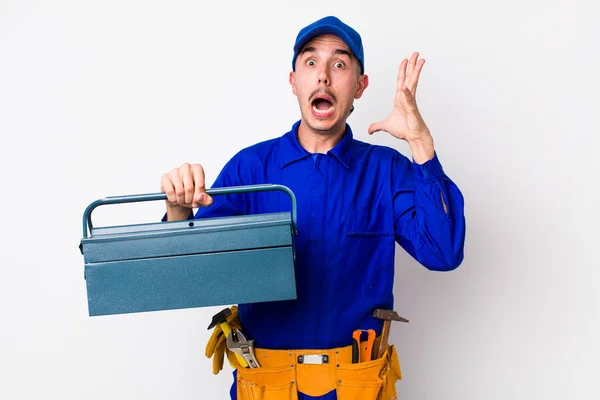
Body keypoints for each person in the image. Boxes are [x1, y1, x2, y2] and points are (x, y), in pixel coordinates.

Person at [160, 15, 466, 400]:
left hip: (357, 385)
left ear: (359, 85)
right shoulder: (250, 168)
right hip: (266, 385)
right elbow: (189, 273)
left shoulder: (385, 170)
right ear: (294, 82)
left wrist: (421, 144)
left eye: (339, 64)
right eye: (310, 62)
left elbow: (444, 252)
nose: (323, 75)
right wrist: (177, 210)